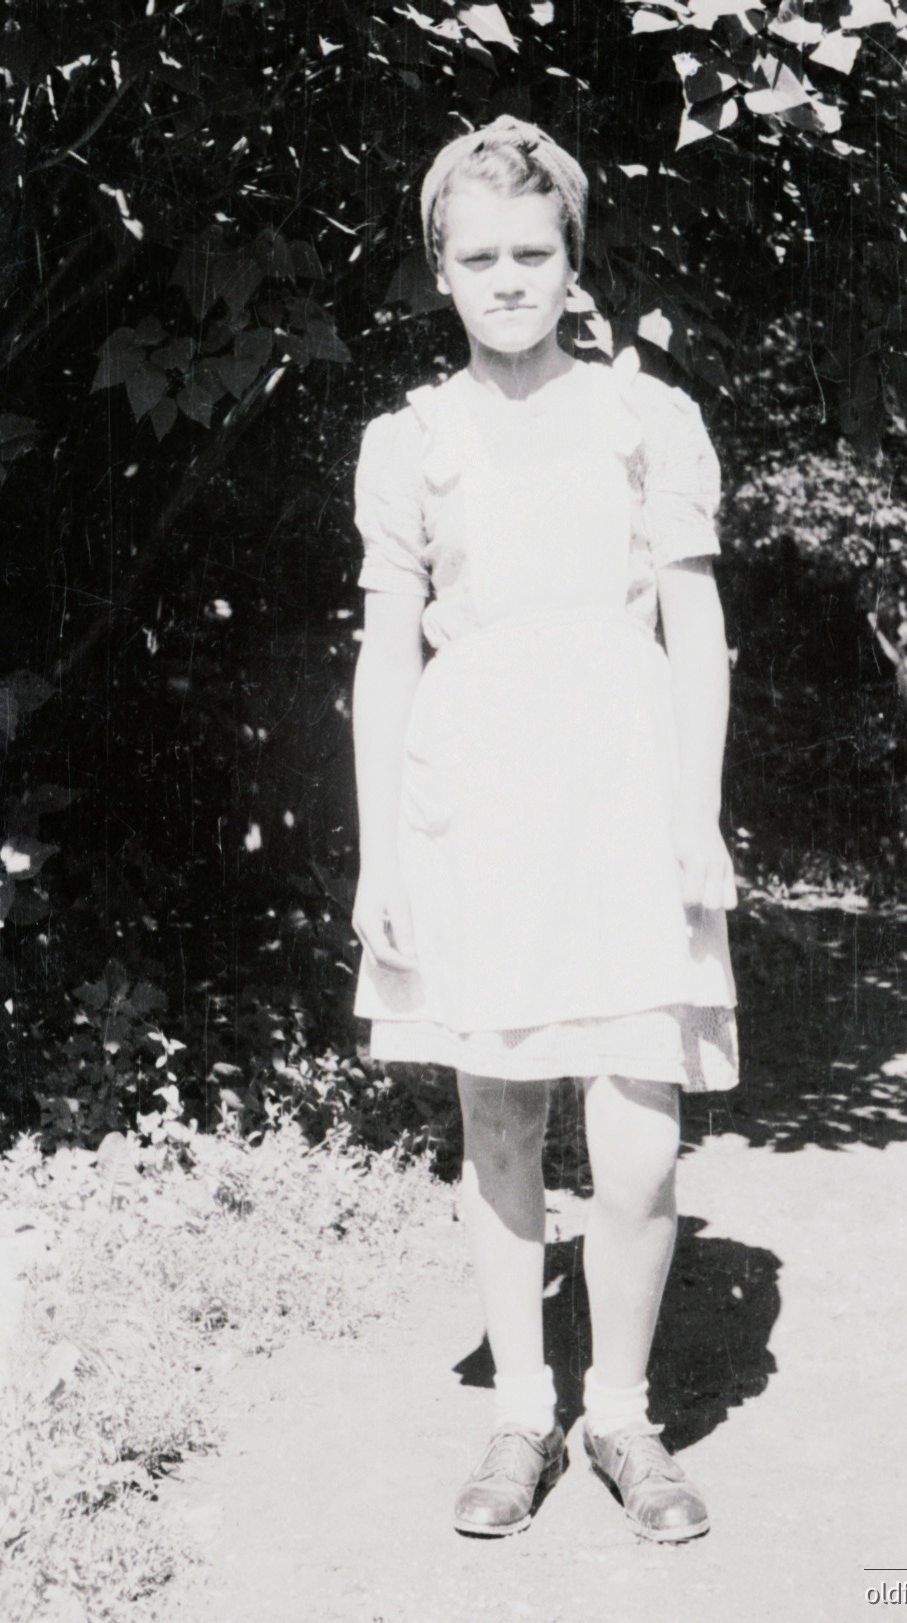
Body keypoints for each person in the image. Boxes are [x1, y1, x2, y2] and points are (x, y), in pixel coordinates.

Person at [350, 116, 738, 1544]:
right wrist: (382, 854)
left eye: (533, 252)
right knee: (500, 1117)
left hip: (627, 795)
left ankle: (620, 1414)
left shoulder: (651, 422)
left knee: (637, 1141)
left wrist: (700, 815)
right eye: (478, 257)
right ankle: (522, 1409)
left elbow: (697, 629)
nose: (506, 278)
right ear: (442, 272)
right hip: (474, 806)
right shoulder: (413, 444)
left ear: (572, 263)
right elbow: (389, 657)